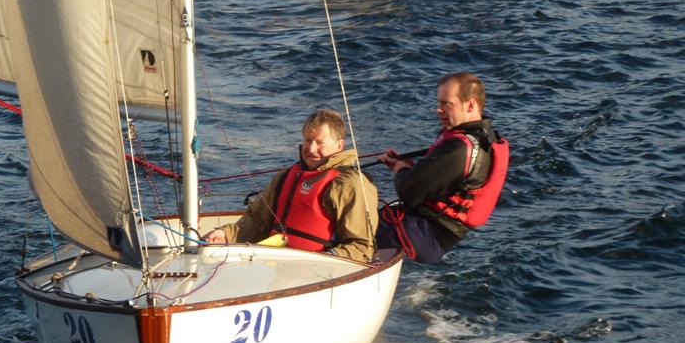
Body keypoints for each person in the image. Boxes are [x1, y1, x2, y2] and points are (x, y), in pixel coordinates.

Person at [203, 109, 378, 262]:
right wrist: (226, 234)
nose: (311, 149)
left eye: (320, 143)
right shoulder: (286, 176)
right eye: (308, 141)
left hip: (319, 271)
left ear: (339, 145)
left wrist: (328, 260)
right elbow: (257, 222)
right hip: (273, 264)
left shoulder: (349, 184)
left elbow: (361, 247)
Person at [376, 72, 509, 264]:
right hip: (435, 234)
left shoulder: (460, 149)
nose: (439, 110)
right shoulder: (485, 138)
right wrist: (404, 167)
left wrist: (400, 170)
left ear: (470, 105)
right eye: (439, 103)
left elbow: (408, 192)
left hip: (423, 233)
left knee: (348, 222)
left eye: (447, 103)